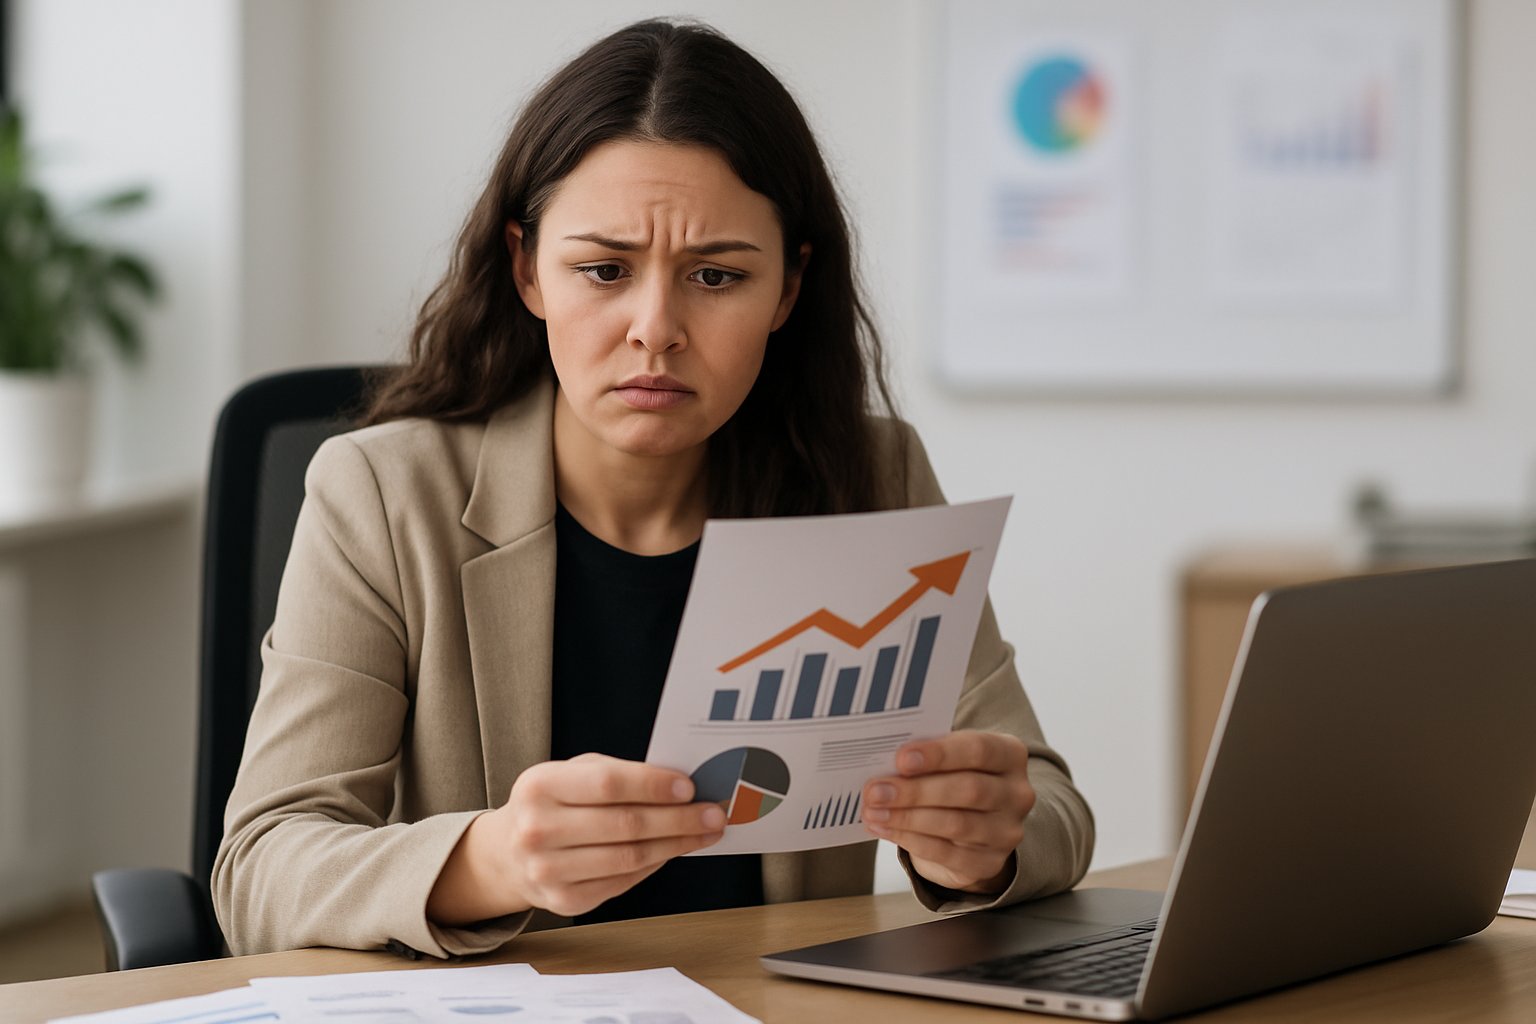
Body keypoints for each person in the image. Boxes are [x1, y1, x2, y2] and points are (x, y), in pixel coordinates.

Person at [213, 18, 1094, 959]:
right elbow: (261, 869)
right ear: (526, 269)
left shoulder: (871, 479)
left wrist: (985, 846)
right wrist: (495, 859)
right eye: (602, 270)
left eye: (717, 276)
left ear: (789, 290)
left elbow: (1052, 808)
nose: (655, 329)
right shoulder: (383, 495)